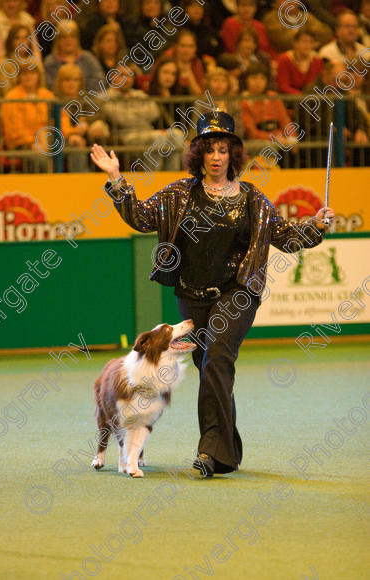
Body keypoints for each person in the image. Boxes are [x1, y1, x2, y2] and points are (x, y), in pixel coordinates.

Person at [89, 111, 335, 477]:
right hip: (191, 295)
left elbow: (287, 237)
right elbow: (140, 216)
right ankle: (228, 451)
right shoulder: (179, 194)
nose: (217, 157)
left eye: (224, 149)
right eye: (210, 149)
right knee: (211, 370)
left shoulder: (252, 199)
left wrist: (317, 225)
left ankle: (210, 454)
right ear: (199, 154)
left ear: (234, 155)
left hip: (237, 294)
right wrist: (116, 179)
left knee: (217, 360)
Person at [43, 21, 104, 93]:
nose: (68, 40)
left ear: (78, 39)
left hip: (87, 101)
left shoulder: (88, 59)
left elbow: (99, 82)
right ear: (57, 40)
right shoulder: (50, 62)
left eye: (72, 36)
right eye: (64, 37)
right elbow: (47, 86)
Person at [277, 28, 323, 94]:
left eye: (311, 42)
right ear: (295, 43)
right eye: (304, 41)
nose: (307, 45)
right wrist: (302, 96)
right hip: (290, 100)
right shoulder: (285, 60)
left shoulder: (317, 61)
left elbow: (319, 85)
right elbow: (283, 86)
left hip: (311, 100)